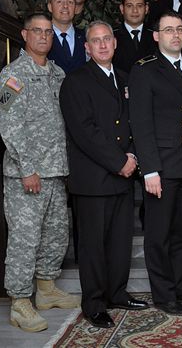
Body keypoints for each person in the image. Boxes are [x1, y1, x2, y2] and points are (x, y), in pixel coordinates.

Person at [0, 13, 79, 333]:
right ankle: (19, 302)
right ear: (25, 34)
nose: (43, 37)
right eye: (37, 31)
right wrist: (27, 169)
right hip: (26, 175)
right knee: (25, 239)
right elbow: (8, 124)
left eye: (48, 32)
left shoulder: (56, 72)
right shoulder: (13, 75)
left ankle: (46, 290)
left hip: (56, 170)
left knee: (56, 235)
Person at [59, 21, 148, 329]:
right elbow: (85, 132)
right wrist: (118, 161)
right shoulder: (75, 81)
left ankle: (117, 293)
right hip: (94, 177)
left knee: (120, 241)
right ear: (87, 47)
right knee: (93, 246)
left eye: (106, 39)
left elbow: (136, 122)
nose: (102, 45)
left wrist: (133, 156)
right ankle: (95, 303)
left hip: (123, 174)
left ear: (115, 43)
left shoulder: (124, 78)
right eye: (95, 41)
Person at [129, 11, 182, 316]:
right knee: (159, 236)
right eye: (168, 30)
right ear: (155, 36)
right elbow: (141, 123)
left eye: (179, 29)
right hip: (161, 167)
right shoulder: (145, 70)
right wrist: (149, 169)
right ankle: (165, 296)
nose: (175, 35)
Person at [112, 0, 157, 74]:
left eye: (139, 6)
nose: (135, 10)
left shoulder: (156, 35)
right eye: (129, 6)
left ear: (146, 8)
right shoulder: (111, 36)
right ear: (122, 9)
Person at [46, 0, 87, 74]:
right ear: (50, 7)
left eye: (70, 2)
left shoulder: (87, 38)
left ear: (75, 8)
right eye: (59, 1)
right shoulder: (40, 38)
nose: (65, 6)